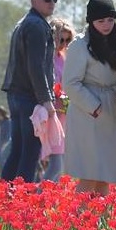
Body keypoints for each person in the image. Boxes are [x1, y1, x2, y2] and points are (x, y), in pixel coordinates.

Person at [62, 0, 116, 196]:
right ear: (91, 21)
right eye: (101, 21)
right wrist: (94, 106)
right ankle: (81, 219)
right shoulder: (80, 46)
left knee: (105, 173)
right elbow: (70, 83)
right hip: (88, 114)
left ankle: (100, 221)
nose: (106, 25)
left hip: (111, 110)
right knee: (89, 172)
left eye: (110, 20)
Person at [0, 0, 57, 182]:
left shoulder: (24, 22)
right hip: (30, 97)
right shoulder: (36, 26)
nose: (52, 3)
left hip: (16, 95)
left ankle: (2, 197)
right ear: (34, 0)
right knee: (30, 152)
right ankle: (22, 201)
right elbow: (36, 66)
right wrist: (46, 100)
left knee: (18, 150)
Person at [43, 18, 73, 181]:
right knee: (54, 163)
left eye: (68, 40)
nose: (64, 43)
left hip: (62, 113)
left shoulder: (63, 57)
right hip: (50, 112)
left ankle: (43, 196)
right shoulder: (47, 57)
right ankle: (39, 196)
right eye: (61, 39)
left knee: (58, 163)